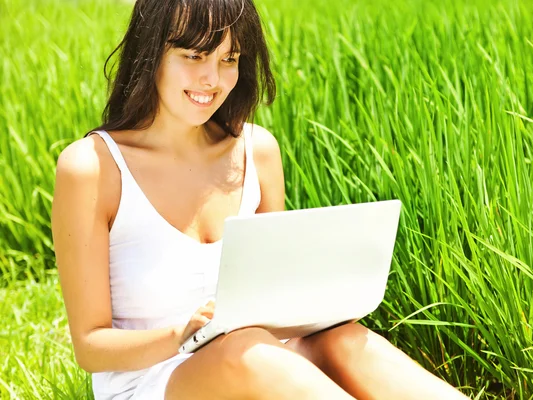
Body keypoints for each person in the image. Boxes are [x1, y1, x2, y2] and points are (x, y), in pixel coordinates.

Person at [51, 0, 469, 398]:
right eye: (194, 56)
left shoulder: (257, 151)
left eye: (228, 59)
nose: (212, 80)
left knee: (343, 339)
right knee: (242, 347)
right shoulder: (92, 168)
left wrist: (321, 306)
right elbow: (90, 346)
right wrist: (182, 333)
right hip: (154, 380)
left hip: (264, 362)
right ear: (151, 52)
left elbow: (277, 306)